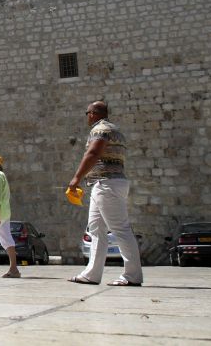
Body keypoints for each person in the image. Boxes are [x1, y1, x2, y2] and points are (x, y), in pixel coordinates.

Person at [67, 101, 143, 287]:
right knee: (96, 229)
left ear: (93, 113)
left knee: (120, 229)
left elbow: (92, 153)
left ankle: (132, 275)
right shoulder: (116, 130)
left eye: (87, 113)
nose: (87, 116)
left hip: (106, 184)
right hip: (104, 184)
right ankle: (91, 274)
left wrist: (76, 178)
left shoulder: (100, 130)